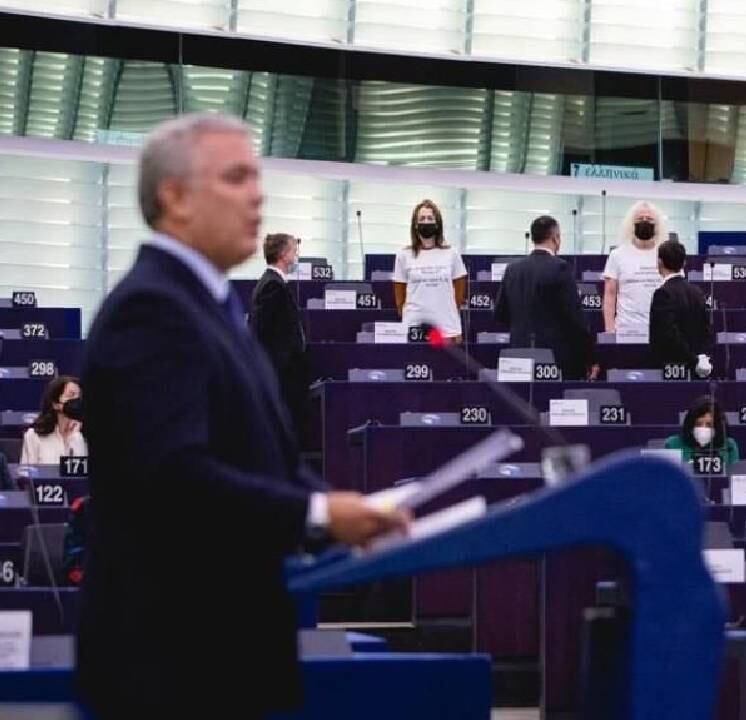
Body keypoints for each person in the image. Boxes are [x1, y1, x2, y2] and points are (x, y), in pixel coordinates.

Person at [75, 113, 408, 718]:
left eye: (257, 178)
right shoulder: (151, 309)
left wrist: (340, 513)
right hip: (172, 665)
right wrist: (316, 513)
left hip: (227, 656)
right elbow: (174, 481)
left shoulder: (212, 305)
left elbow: (261, 459)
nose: (257, 196)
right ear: (174, 196)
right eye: (236, 178)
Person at [495, 215, 598, 380]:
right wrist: (590, 357)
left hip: (517, 355)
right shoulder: (560, 268)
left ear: (533, 238)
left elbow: (500, 314)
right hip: (554, 358)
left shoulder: (512, 270)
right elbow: (575, 318)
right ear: (555, 238)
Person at [249, 232, 308, 434]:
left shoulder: (275, 283)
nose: (296, 256)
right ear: (283, 253)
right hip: (280, 373)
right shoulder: (272, 285)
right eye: (294, 251)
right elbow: (261, 331)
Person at [392, 198, 468, 342]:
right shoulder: (403, 255)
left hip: (447, 330)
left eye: (430, 218)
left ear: (437, 224)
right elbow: (399, 297)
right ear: (415, 225)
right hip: (414, 330)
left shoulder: (452, 253)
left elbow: (458, 293)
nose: (426, 222)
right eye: (422, 219)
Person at [649, 240, 712, 377]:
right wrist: (700, 358)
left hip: (670, 368)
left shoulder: (663, 294)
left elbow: (669, 334)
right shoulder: (697, 291)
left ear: (660, 263)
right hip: (696, 368)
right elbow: (706, 328)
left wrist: (693, 359)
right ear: (684, 263)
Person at [602, 200, 665, 334]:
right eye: (640, 219)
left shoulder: (666, 254)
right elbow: (610, 294)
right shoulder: (617, 255)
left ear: (657, 225)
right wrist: (609, 329)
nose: (644, 222)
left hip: (660, 331)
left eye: (649, 219)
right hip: (626, 330)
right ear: (631, 224)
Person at [20, 375, 87, 464]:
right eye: (71, 395)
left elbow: (84, 471)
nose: (76, 400)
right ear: (55, 404)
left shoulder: (85, 435)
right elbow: (28, 471)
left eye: (79, 397)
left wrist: (76, 438)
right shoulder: (33, 436)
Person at [664, 396, 740, 466]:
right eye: (698, 424)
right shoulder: (673, 445)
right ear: (691, 425)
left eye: (709, 425)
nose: (703, 428)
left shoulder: (729, 446)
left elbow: (733, 473)